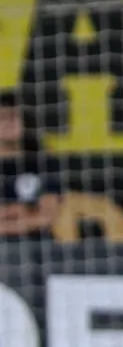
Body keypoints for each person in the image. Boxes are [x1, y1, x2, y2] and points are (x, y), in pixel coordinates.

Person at [0, 90, 61, 239]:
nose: (10, 122)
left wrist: (11, 218)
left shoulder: (42, 162)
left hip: (37, 251)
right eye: (2, 117)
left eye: (15, 116)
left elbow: (48, 215)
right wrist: (21, 211)